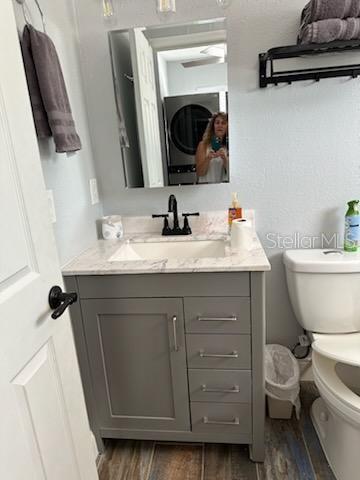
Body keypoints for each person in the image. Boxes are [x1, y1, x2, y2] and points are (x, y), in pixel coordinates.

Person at [195, 112, 229, 184]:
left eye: (223, 123)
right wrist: (208, 158)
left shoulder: (230, 148)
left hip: (223, 188)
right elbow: (200, 173)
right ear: (213, 126)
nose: (220, 125)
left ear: (227, 127)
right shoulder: (203, 145)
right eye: (217, 123)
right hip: (205, 189)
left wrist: (225, 159)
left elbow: (234, 175)